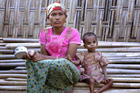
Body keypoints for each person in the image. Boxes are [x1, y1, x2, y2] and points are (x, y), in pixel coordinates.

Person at [25, 2, 82, 93]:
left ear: (65, 18)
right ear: (48, 18)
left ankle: (65, 86)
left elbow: (69, 59)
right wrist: (33, 55)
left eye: (60, 14)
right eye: (53, 14)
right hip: (51, 67)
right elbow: (44, 59)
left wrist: (43, 57)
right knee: (30, 62)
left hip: (69, 70)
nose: (57, 17)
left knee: (61, 63)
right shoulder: (44, 32)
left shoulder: (73, 32)